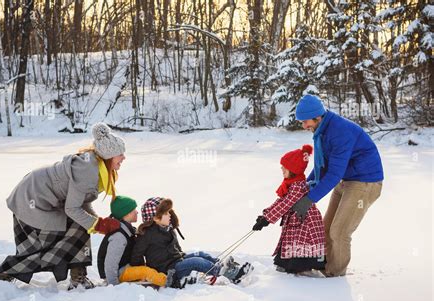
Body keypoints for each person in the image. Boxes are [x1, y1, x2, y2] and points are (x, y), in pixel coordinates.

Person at [0, 123, 126, 290]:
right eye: (120, 154)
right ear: (109, 155)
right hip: (32, 200)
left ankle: (78, 278)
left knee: (77, 228)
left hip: (39, 197)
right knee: (46, 243)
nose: (124, 158)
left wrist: (98, 223)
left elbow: (81, 202)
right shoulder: (88, 171)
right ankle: (4, 276)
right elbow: (72, 209)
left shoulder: (95, 166)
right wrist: (98, 224)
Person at [290, 94, 383, 277]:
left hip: (365, 183)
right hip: (346, 180)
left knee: (339, 231)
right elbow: (323, 167)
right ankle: (324, 266)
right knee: (326, 229)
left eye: (305, 121)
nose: (303, 126)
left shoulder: (339, 131)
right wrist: (303, 186)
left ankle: (335, 276)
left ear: (317, 117)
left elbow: (333, 174)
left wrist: (308, 200)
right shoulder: (323, 131)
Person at [130, 197, 253, 288]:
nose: (170, 216)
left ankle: (222, 266)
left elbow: (176, 249)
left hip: (177, 260)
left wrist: (183, 256)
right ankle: (227, 273)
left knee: (200, 254)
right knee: (196, 262)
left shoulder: (168, 229)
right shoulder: (146, 234)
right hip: (168, 270)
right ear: (155, 217)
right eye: (166, 213)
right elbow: (137, 255)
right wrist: (144, 271)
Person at [252, 145, 326, 276]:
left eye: (284, 167)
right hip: (297, 222)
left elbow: (286, 204)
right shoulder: (291, 183)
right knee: (293, 247)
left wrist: (268, 220)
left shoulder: (297, 186)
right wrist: (265, 216)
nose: (281, 169)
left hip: (305, 223)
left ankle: (301, 271)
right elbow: (281, 201)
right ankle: (291, 267)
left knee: (301, 249)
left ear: (293, 169)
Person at [97, 195, 168, 287]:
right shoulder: (119, 236)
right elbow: (110, 263)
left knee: (148, 269)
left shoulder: (128, 229)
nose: (137, 212)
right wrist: (113, 285)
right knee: (145, 272)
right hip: (119, 272)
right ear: (126, 214)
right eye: (134, 210)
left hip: (126, 267)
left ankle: (159, 277)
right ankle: (167, 281)